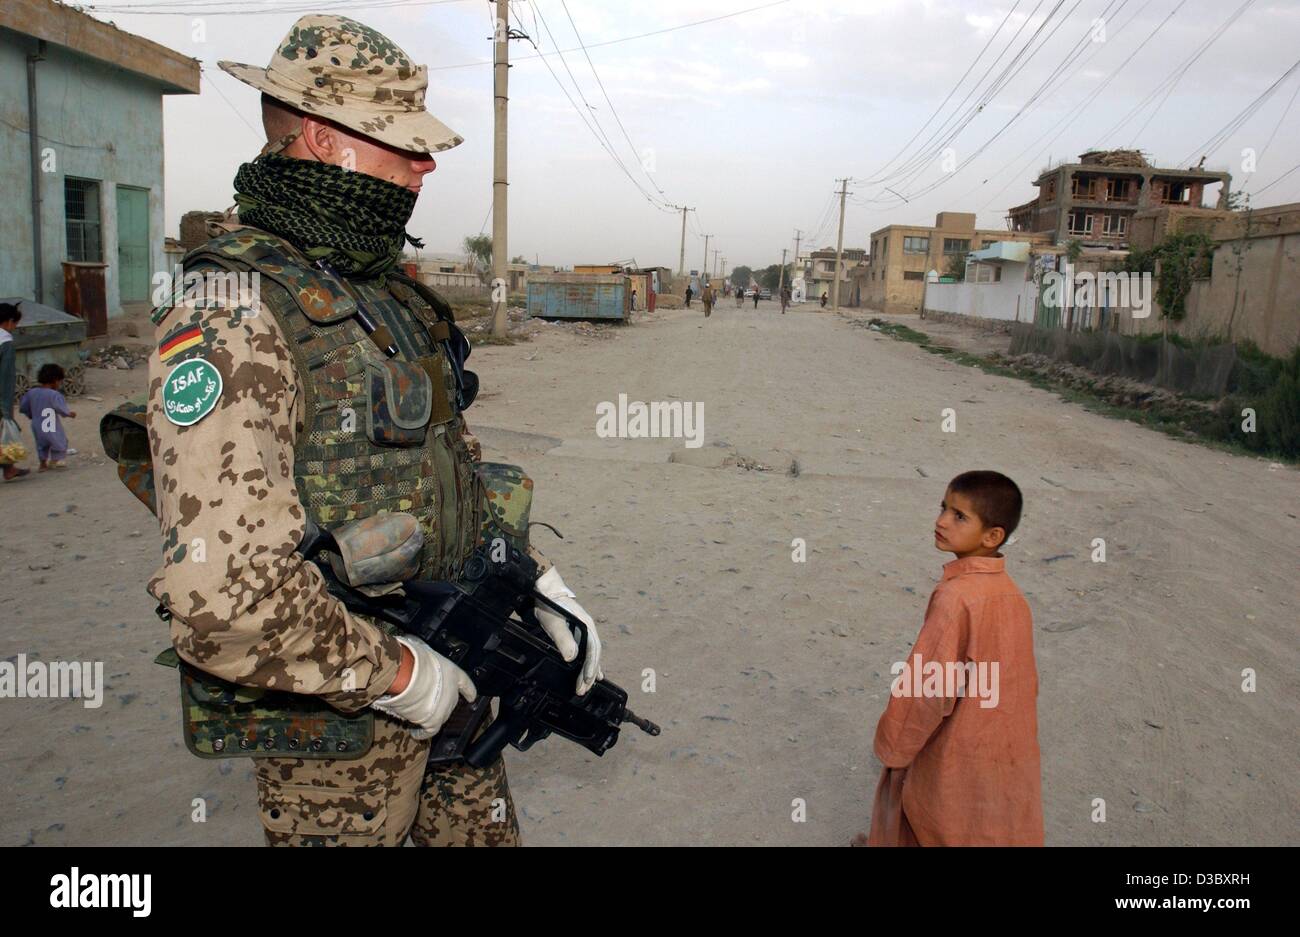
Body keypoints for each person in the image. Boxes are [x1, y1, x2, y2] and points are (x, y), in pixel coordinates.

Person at [142, 14, 603, 847]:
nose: (425, 165)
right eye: (404, 144)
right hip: (341, 730)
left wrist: (534, 577)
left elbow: (443, 464)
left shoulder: (375, 287)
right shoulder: (232, 314)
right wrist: (393, 673)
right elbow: (219, 592)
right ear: (323, 140)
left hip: (453, 678)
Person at [857, 471, 1042, 846]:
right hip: (1000, 743)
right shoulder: (1012, 596)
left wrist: (894, 745)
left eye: (959, 516)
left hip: (954, 739)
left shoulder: (956, 599)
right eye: (943, 508)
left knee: (917, 808)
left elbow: (928, 688)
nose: (941, 521)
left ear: (993, 536)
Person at [19, 363, 75, 470]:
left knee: (41, 445)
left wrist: (30, 415)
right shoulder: (54, 395)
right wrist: (69, 414)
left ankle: (42, 464)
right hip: (50, 424)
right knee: (59, 441)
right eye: (59, 381)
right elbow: (60, 408)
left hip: (36, 424)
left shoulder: (31, 392)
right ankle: (56, 460)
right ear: (55, 380)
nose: (59, 384)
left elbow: (23, 407)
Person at [0, 302, 29, 482]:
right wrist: (5, 407)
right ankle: (8, 469)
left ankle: (9, 468)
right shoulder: (6, 343)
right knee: (6, 431)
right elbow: (6, 377)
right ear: (10, 321)